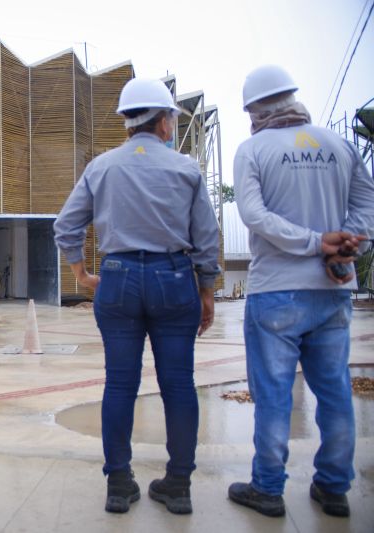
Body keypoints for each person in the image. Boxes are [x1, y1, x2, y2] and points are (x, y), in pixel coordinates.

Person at [54, 77, 220, 515]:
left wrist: (83, 273)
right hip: (174, 277)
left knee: (120, 383)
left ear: (128, 121)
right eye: (171, 118)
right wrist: (207, 292)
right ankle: (179, 485)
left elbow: (66, 226)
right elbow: (206, 238)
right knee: (179, 384)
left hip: (119, 277)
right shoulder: (186, 169)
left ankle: (119, 484)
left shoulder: (101, 167)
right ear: (164, 121)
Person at [228, 64, 374, 518]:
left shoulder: (253, 149)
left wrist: (313, 243)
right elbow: (367, 204)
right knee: (333, 392)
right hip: (332, 290)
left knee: (273, 395)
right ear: (292, 97)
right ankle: (333, 487)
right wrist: (346, 244)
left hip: (276, 291)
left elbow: (253, 215)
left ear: (255, 108)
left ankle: (268, 489)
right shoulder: (340, 146)